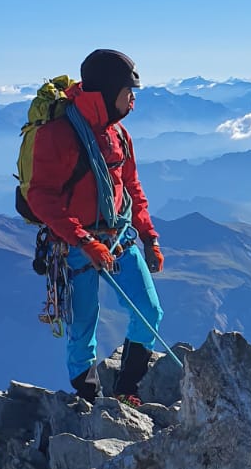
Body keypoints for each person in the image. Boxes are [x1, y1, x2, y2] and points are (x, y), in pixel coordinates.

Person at [25, 48, 164, 403]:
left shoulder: (119, 135)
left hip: (118, 238)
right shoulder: (58, 134)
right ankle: (88, 399)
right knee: (83, 324)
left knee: (149, 311)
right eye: (127, 90)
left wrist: (149, 238)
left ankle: (126, 391)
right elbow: (42, 197)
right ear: (106, 91)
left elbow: (131, 188)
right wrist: (84, 239)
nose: (133, 98)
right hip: (73, 245)